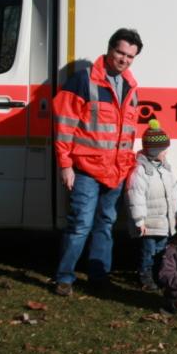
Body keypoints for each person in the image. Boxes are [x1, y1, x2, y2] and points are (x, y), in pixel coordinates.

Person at [53, 28, 143, 296]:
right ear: (109, 50)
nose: (124, 59)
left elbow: (128, 133)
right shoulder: (82, 81)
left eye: (130, 56)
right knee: (80, 225)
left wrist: (128, 166)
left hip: (116, 172)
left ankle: (99, 276)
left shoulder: (131, 88)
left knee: (105, 224)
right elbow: (64, 127)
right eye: (120, 52)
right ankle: (64, 278)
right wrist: (65, 165)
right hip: (85, 170)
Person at [125, 119, 177, 291]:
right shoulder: (141, 170)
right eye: (163, 150)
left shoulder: (165, 168)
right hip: (149, 224)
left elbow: (173, 192)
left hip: (164, 222)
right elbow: (135, 196)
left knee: (161, 252)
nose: (166, 153)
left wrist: (175, 214)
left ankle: (159, 275)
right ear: (154, 150)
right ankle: (145, 276)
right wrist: (139, 220)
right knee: (148, 252)